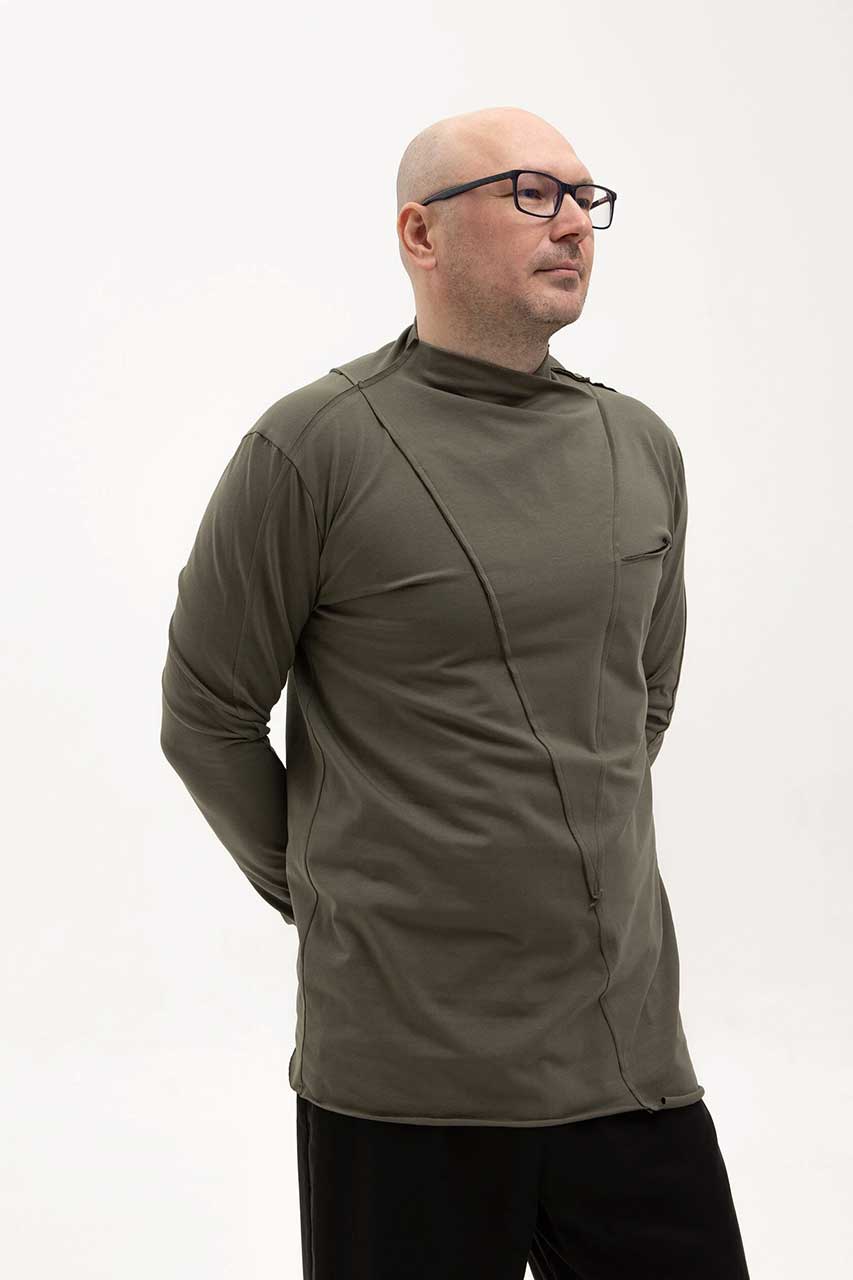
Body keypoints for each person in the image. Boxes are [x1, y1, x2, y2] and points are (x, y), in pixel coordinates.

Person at [160, 105, 751, 1277]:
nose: (572, 222)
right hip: (401, 1081)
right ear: (419, 234)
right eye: (532, 192)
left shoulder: (640, 445)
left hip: (626, 1063)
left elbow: (639, 704)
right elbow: (207, 717)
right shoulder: (313, 446)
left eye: (586, 198)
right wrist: (332, 888)